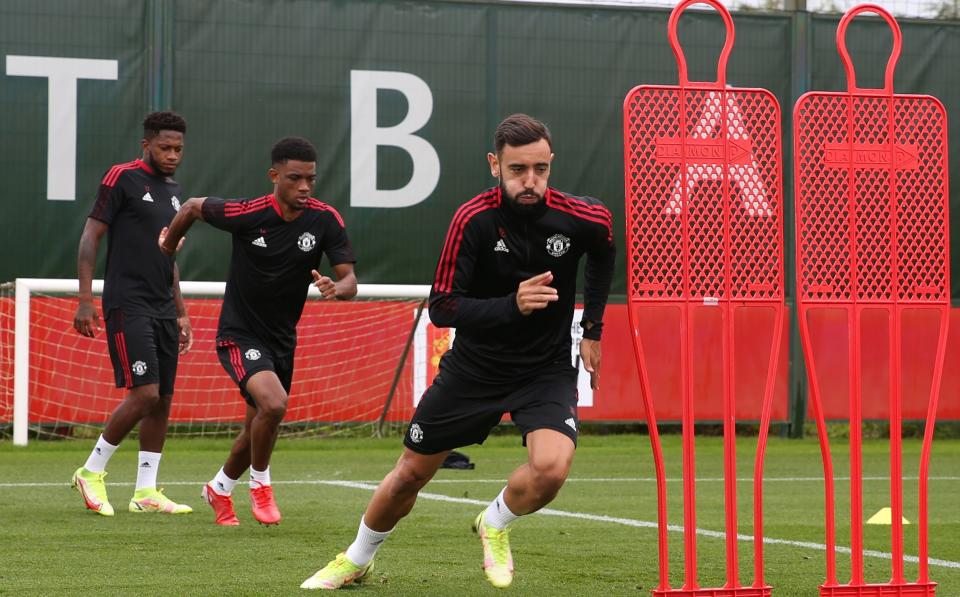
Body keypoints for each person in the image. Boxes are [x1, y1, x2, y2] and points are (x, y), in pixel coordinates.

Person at [301, 113, 615, 590]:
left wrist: (592, 326)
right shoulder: (473, 220)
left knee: (552, 468)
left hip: (544, 369)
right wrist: (513, 305)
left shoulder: (581, 216)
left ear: (551, 163)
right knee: (409, 474)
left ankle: (493, 522)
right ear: (495, 165)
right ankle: (356, 559)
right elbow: (444, 307)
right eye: (517, 170)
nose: (530, 182)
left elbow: (605, 250)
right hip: (475, 369)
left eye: (540, 169)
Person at [159, 136, 357, 526]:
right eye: (295, 178)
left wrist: (339, 289)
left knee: (255, 431)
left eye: (311, 180)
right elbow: (193, 206)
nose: (304, 187)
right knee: (274, 405)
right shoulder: (248, 213)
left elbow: (349, 278)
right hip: (238, 334)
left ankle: (218, 488)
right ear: (274, 176)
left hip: (281, 340)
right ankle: (261, 485)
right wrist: (167, 247)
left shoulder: (324, 219)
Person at [71, 111, 194, 516]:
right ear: (146, 145)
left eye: (178, 148)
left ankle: (146, 491)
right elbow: (91, 234)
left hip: (162, 306)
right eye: (164, 147)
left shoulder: (175, 192)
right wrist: (85, 298)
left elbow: (169, 255)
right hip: (128, 302)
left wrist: (181, 311)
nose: (172, 155)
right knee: (144, 393)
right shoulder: (121, 177)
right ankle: (91, 472)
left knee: (163, 400)